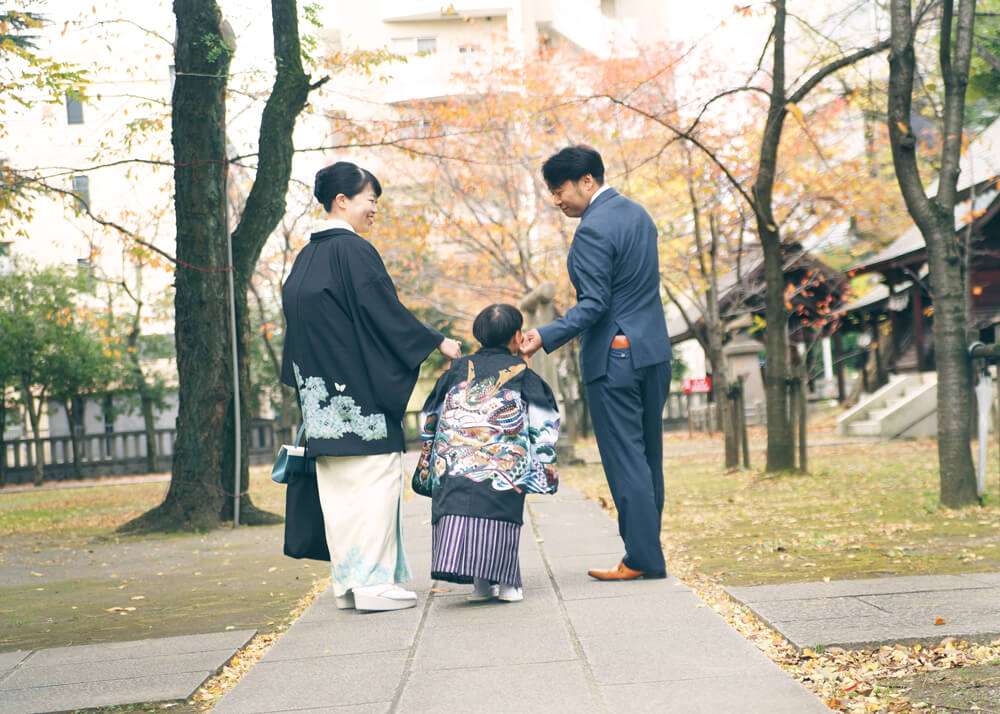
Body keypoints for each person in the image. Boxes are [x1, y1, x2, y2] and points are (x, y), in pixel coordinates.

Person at [280, 161, 462, 612]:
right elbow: (384, 312)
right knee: (376, 487)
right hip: (359, 401)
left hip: (321, 406)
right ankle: (374, 585)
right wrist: (435, 340)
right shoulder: (353, 252)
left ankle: (349, 585)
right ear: (342, 201)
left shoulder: (305, 259)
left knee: (340, 498)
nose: (373, 211)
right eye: (370, 201)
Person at [520, 145, 672, 581]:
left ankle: (643, 559)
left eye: (559, 189)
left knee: (626, 460)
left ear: (587, 181)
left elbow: (594, 306)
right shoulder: (640, 216)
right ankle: (647, 552)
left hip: (615, 357)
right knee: (647, 457)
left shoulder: (591, 230)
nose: (556, 200)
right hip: (653, 353)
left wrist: (542, 336)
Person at [413, 304, 560, 603]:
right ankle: (508, 586)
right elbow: (545, 421)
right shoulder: (522, 374)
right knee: (499, 513)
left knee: (459, 511)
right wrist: (542, 467)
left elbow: (430, 415)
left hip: (452, 463)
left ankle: (480, 585)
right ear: (518, 335)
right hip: (501, 466)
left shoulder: (456, 370)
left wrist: (430, 461)